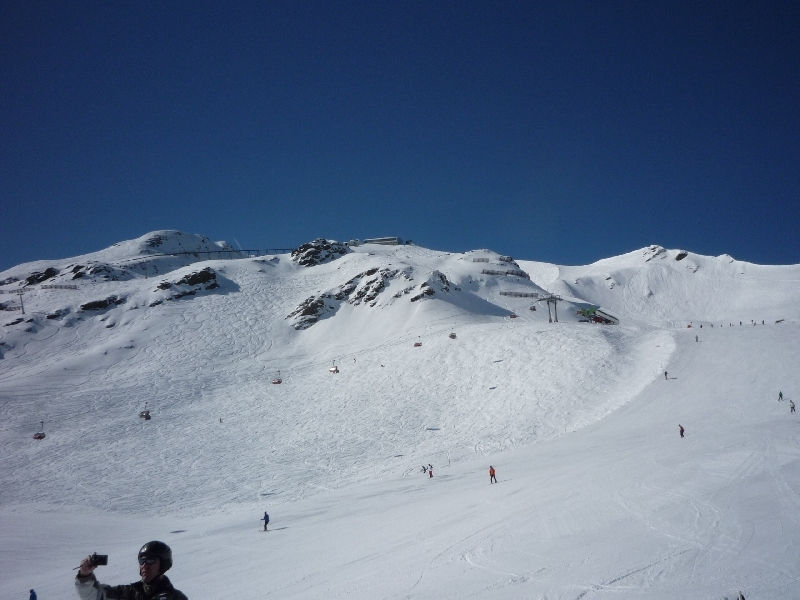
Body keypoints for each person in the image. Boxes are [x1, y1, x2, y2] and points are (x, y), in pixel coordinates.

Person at [75, 541, 187, 600]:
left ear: (163, 564)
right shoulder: (128, 593)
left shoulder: (176, 598)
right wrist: (85, 575)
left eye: (151, 560)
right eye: (142, 561)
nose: (145, 565)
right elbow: (95, 596)